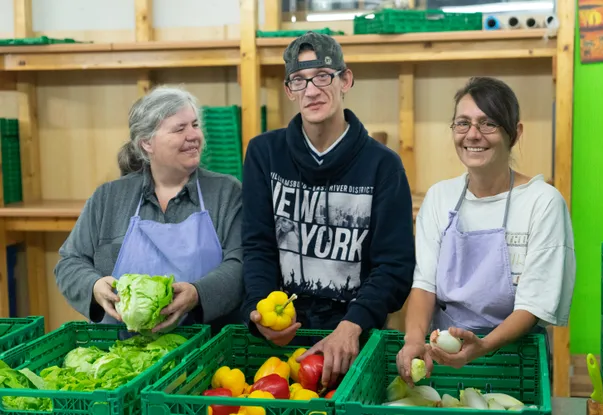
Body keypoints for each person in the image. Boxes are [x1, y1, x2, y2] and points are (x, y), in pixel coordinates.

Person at [241, 31, 416, 388]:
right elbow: (258, 245)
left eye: (323, 76)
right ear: (290, 90)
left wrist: (353, 324)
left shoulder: (383, 166)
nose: (312, 90)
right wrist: (261, 312)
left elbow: (394, 267)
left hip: (355, 339)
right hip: (281, 340)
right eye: (299, 81)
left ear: (345, 80)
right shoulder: (264, 154)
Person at [396, 76, 576, 385]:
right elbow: (425, 284)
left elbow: (532, 306)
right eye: (462, 123)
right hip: (445, 358)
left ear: (515, 133)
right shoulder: (440, 198)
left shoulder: (542, 203)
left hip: (515, 362)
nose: (473, 135)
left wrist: (483, 346)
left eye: (488, 123)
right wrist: (413, 337)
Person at [54, 85, 243, 334]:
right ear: (146, 144)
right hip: (121, 355)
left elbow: (241, 262)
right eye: (179, 128)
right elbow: (70, 261)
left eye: (195, 125)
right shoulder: (109, 198)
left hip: (204, 349)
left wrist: (198, 294)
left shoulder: (225, 193)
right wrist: (93, 285)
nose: (193, 135)